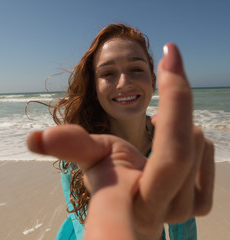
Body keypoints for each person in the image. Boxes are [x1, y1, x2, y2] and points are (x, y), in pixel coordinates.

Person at [27, 24, 215, 240]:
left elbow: (183, 229)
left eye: (136, 69)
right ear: (94, 87)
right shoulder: (80, 149)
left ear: (152, 80)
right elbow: (82, 226)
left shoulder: (171, 146)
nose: (124, 83)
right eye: (108, 73)